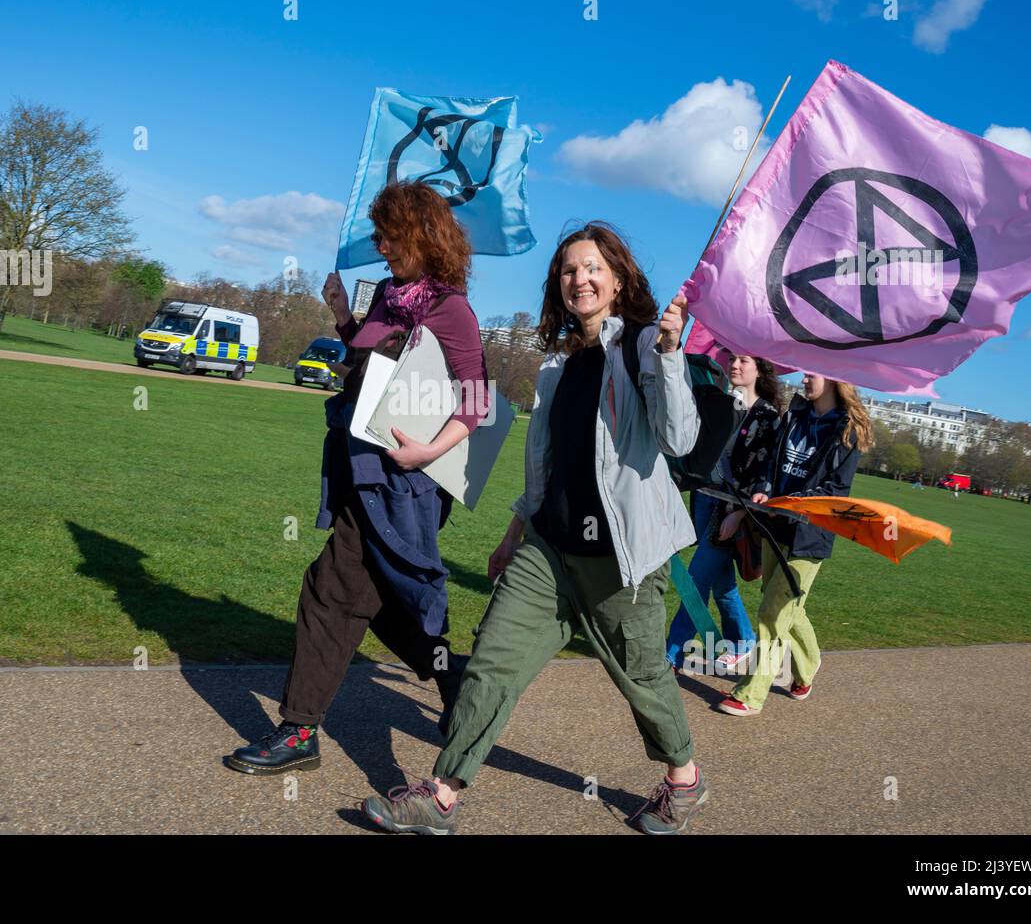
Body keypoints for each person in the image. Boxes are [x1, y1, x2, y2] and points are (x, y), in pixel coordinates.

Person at [358, 222, 707, 835]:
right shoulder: (557, 366)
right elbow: (545, 464)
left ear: (618, 278)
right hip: (548, 550)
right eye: (570, 270)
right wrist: (515, 530)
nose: (581, 279)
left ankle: (683, 776)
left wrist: (672, 357)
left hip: (623, 558)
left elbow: (680, 438)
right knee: (492, 661)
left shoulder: (645, 348)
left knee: (644, 679)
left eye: (594, 267)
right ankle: (439, 796)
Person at [226, 182, 489, 775]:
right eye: (379, 233)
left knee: (331, 588)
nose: (381, 244)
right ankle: (457, 678)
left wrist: (429, 452)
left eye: (390, 233)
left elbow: (476, 397)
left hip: (405, 481)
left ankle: (298, 732)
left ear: (423, 234)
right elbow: (361, 357)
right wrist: (342, 312)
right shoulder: (390, 296)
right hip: (355, 462)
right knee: (385, 598)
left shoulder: (449, 308)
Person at [716, 374, 873, 716]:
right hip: (775, 527)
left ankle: (750, 694)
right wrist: (763, 488)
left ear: (833, 379)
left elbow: (835, 490)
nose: (803, 377)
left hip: (810, 535)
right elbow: (771, 462)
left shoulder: (847, 430)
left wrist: (793, 501)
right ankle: (809, 665)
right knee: (789, 608)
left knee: (773, 614)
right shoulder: (795, 415)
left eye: (810, 372)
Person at [666, 354, 782, 675]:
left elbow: (763, 474)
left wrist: (739, 515)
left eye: (745, 361)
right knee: (721, 584)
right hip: (705, 499)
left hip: (731, 509)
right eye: (733, 358)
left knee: (697, 578)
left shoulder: (767, 417)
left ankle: (672, 653)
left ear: (760, 370)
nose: (735, 364)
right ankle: (743, 641)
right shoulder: (723, 403)